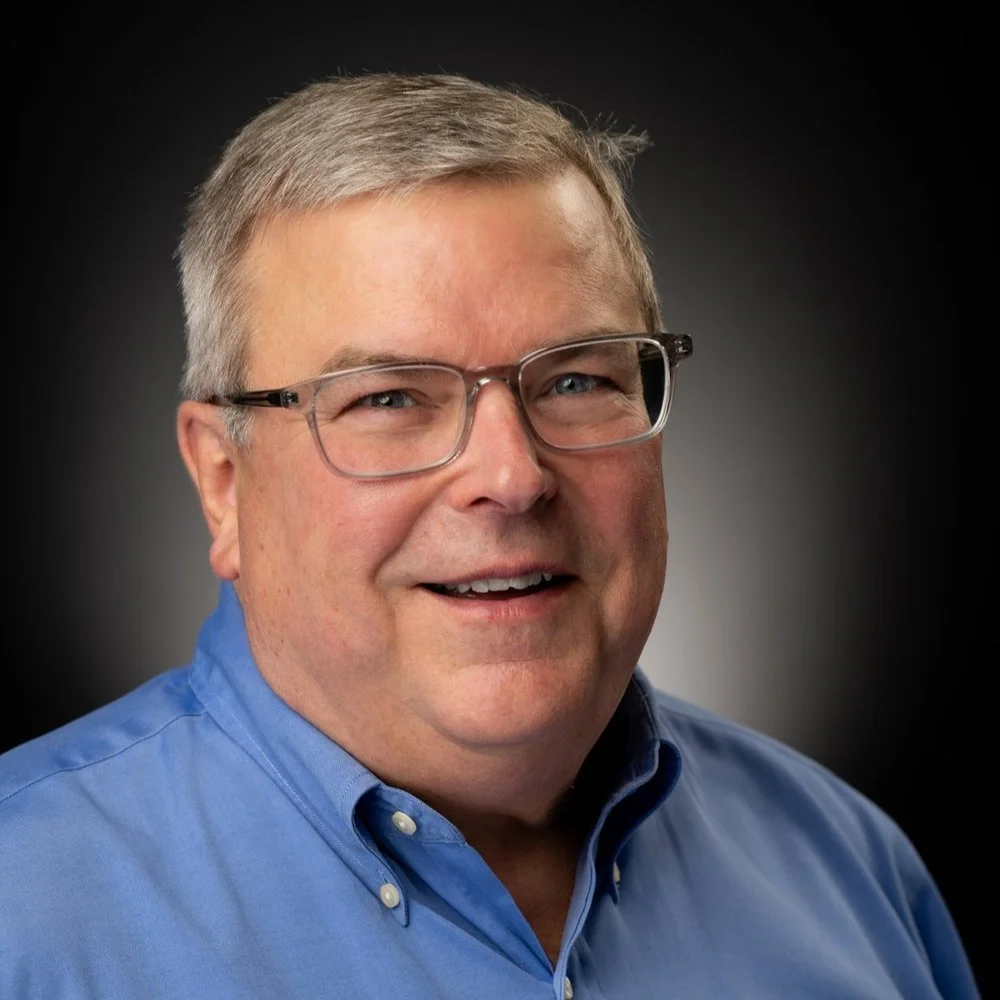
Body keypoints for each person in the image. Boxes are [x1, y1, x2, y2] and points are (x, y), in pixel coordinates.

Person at [0, 72, 978, 999]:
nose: (511, 479)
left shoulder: (848, 870)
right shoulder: (23, 913)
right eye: (388, 398)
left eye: (576, 380)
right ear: (223, 482)